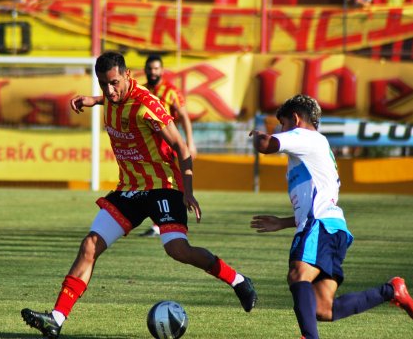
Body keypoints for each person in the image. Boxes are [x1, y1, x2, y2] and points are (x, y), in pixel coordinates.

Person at [20, 51, 257, 338]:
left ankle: (238, 280)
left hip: (162, 186)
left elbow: (181, 148)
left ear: (127, 75)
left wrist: (189, 191)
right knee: (89, 246)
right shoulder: (110, 95)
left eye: (114, 83)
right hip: (130, 188)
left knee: (177, 250)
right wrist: (90, 100)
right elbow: (108, 97)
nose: (109, 90)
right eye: (103, 84)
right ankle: (56, 319)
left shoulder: (148, 105)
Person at [249, 94, 413, 339]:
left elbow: (266, 145)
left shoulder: (304, 137)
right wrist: (284, 222)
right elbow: (317, 199)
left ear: (296, 120)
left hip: (320, 226)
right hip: (331, 227)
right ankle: (390, 291)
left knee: (298, 274)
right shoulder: (315, 147)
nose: (281, 131)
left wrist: (257, 136)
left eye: (283, 125)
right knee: (323, 308)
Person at [140, 54, 197, 237]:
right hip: (148, 145)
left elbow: (185, 117)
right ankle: (161, 219)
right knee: (153, 181)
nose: (152, 72)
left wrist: (190, 142)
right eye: (150, 69)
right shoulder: (143, 90)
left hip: (167, 145)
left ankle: (165, 221)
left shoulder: (170, 91)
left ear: (162, 70)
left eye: (156, 69)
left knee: (169, 182)